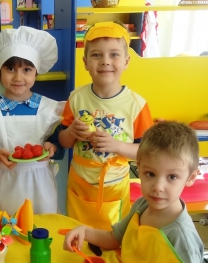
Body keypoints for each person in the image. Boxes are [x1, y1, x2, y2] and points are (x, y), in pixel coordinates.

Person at [64, 121, 203, 263]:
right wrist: (85, 231)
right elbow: (113, 239)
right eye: (150, 174)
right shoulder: (142, 205)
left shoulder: (182, 239)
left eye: (172, 177)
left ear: (191, 177)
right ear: (138, 167)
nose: (158, 187)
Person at [59, 21, 153, 232]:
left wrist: (116, 145)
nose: (105, 61)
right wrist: (72, 132)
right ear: (85, 62)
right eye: (96, 55)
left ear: (126, 61)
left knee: (112, 238)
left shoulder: (136, 105)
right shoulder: (75, 98)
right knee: (77, 235)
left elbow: (146, 152)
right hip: (79, 184)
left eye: (114, 54)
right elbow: (63, 142)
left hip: (114, 186)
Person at [0, 26, 65, 215]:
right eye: (10, 69)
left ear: (36, 73)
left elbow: (59, 148)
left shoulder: (50, 109)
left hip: (41, 187)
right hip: (4, 187)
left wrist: (52, 148)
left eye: (27, 70)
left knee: (42, 227)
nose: (18, 77)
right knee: (5, 230)